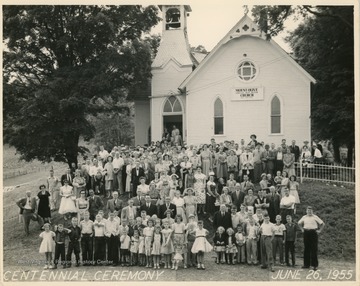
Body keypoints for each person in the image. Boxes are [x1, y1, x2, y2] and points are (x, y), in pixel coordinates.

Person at [298, 206, 325, 270]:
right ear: (306, 211)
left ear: (312, 211)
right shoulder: (304, 217)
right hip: (306, 233)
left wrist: (319, 230)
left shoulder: (315, 217)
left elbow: (322, 224)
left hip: (313, 233)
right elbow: (299, 223)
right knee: (306, 248)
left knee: (314, 248)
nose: (309, 212)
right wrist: (302, 229)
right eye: (308, 210)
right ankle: (306, 264)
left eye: (310, 210)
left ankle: (314, 265)